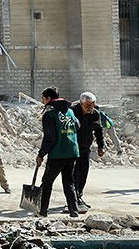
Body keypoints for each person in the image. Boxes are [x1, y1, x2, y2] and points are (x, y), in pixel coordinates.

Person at [37, 86, 80, 217]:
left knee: (47, 182)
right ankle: (74, 211)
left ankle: (43, 211)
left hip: (58, 154)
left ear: (49, 98)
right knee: (69, 182)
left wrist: (41, 154)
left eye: (43, 99)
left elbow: (50, 138)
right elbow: (77, 126)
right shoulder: (70, 111)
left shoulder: (50, 114)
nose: (43, 102)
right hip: (72, 152)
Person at [71, 92, 105, 212]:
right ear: (81, 103)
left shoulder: (95, 114)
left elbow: (99, 131)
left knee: (83, 173)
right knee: (74, 174)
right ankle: (73, 199)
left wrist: (101, 146)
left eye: (92, 105)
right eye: (87, 105)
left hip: (85, 148)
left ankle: (79, 196)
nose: (90, 108)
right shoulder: (72, 112)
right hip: (73, 149)